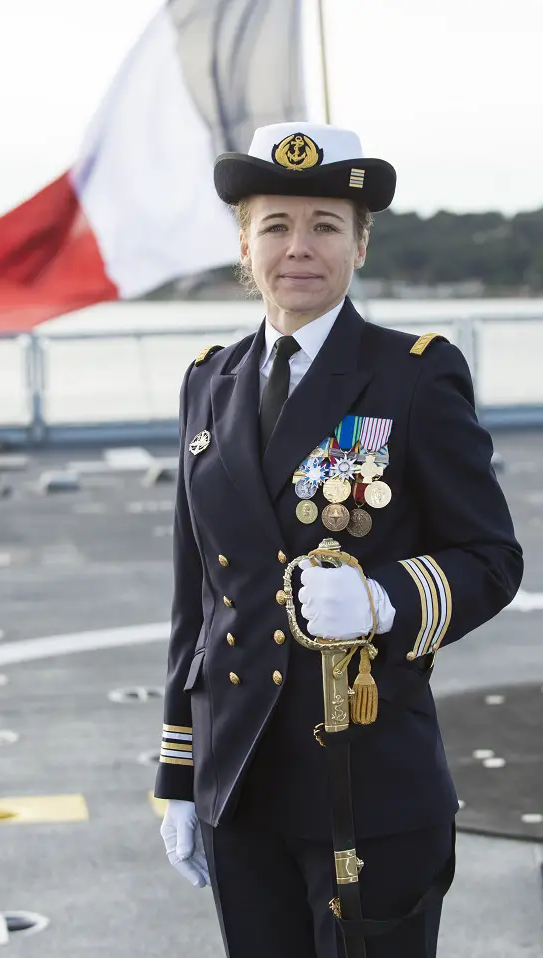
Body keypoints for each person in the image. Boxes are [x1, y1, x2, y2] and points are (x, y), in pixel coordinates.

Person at [154, 122, 523, 958]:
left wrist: (382, 598)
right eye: (276, 225)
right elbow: (196, 601)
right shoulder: (207, 383)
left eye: (325, 225)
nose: (300, 247)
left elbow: (493, 560)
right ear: (244, 247)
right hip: (238, 783)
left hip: (366, 779)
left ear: (360, 244)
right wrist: (179, 773)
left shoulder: (415, 374)